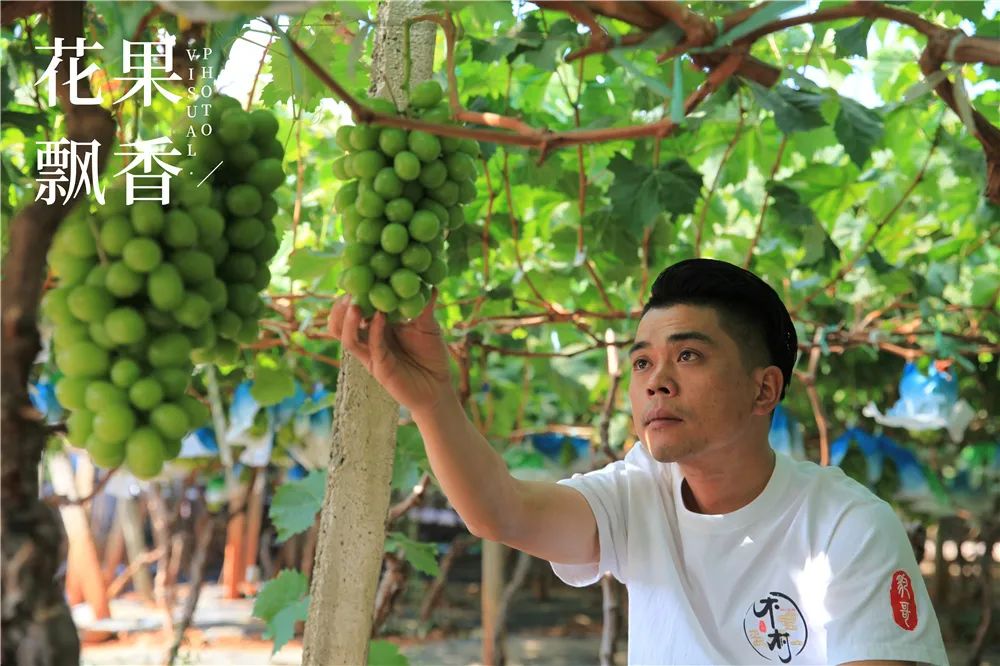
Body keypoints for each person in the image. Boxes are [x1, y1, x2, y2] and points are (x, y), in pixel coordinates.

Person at [328, 258, 948, 666]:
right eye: (643, 361)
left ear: (764, 390)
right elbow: (501, 512)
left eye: (689, 356)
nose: (656, 381)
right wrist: (432, 399)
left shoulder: (848, 528)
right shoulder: (640, 490)